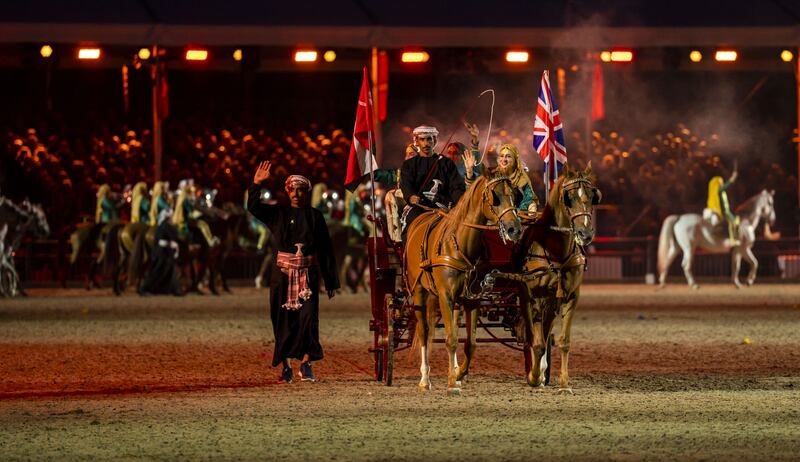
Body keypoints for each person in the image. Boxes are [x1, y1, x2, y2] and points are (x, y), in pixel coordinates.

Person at [247, 161, 339, 384]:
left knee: (308, 319)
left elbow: (325, 248)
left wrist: (331, 280)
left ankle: (306, 365)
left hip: (307, 276)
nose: (297, 194)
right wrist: (256, 184)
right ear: (287, 192)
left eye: (301, 190)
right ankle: (286, 367)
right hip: (282, 275)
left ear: (306, 192)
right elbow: (254, 207)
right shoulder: (278, 213)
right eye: (293, 190)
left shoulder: (315, 216)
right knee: (282, 320)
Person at [399, 125, 466, 242]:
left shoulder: (447, 163)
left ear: (434, 140)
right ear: (417, 142)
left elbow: (457, 187)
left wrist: (454, 203)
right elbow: (406, 185)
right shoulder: (408, 165)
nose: (426, 143)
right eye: (422, 139)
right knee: (411, 226)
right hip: (418, 207)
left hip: (444, 206)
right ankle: (409, 257)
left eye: (429, 139)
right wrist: (411, 196)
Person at [464, 143, 539, 213]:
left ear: (515, 159)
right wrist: (469, 172)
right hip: (493, 219)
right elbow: (474, 194)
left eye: (508, 156)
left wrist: (516, 212)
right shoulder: (493, 175)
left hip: (515, 220)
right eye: (502, 156)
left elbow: (528, 199)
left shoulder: (521, 178)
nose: (504, 160)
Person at [140, 207, 184, 296]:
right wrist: (171, 244)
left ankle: (173, 290)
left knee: (170, 271)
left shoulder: (168, 226)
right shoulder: (163, 227)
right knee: (157, 271)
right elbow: (161, 241)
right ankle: (144, 289)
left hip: (167, 252)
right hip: (162, 253)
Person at [707, 163, 739, 246]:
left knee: (736, 221)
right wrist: (732, 178)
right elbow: (725, 186)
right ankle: (733, 239)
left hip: (726, 211)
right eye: (720, 182)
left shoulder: (722, 192)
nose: (721, 183)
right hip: (723, 212)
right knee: (734, 222)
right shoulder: (719, 191)